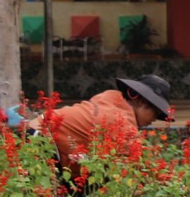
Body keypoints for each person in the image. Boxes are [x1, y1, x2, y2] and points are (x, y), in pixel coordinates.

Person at [44, 74, 174, 185]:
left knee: (99, 170)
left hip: (41, 135)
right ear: (141, 102)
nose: (155, 119)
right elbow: (146, 168)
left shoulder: (109, 99)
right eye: (155, 112)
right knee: (106, 173)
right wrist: (176, 186)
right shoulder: (121, 123)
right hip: (41, 141)